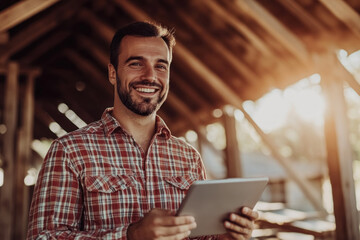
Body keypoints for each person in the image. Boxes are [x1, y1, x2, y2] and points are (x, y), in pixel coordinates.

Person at [27, 21, 258, 240]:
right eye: (136, 63)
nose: (150, 76)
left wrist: (225, 236)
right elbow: (43, 237)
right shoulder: (69, 151)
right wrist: (131, 235)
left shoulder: (188, 157)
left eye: (160, 65)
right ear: (112, 73)